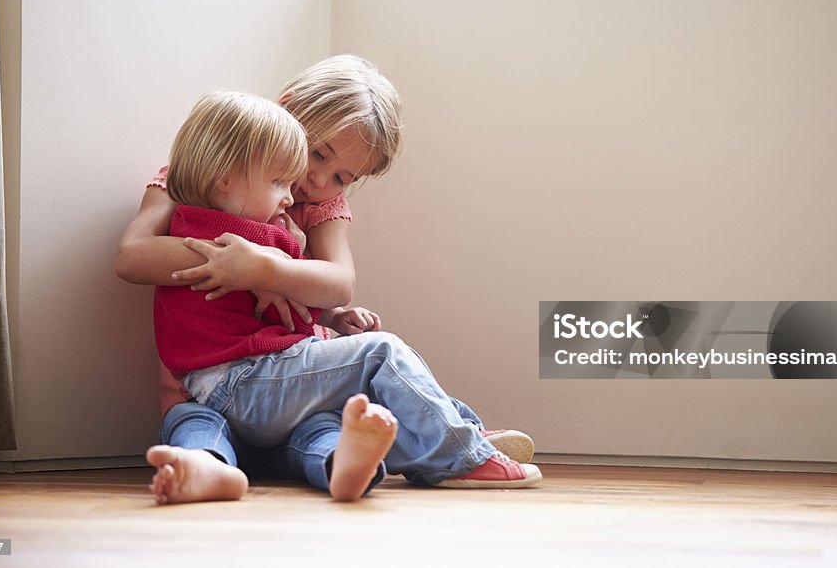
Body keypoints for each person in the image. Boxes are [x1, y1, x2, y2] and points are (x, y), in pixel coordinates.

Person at [116, 56, 537, 503]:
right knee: (376, 357)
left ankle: (362, 462)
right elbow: (132, 257)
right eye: (317, 154)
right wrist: (249, 265)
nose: (314, 180)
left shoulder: (313, 210)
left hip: (285, 400)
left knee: (329, 434)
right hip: (208, 395)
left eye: (340, 177)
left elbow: (337, 282)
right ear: (290, 109)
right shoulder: (196, 176)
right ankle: (454, 446)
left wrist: (287, 281)